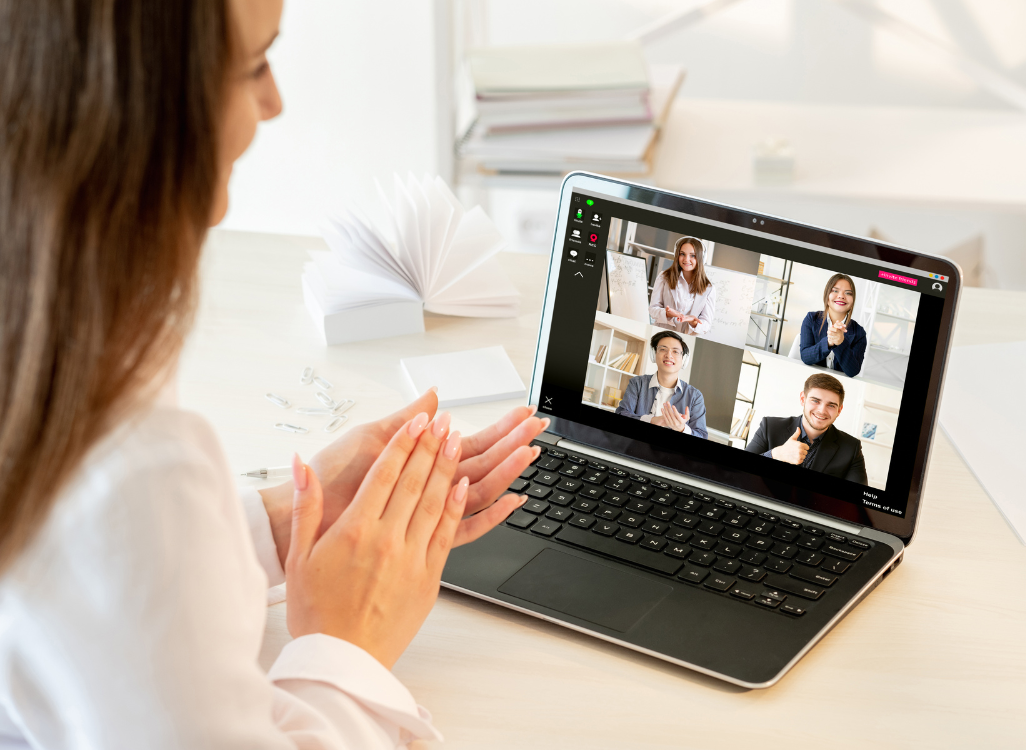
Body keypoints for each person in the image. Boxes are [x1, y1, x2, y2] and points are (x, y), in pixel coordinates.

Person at [0, 1, 546, 747]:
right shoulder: (136, 468)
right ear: (146, 109)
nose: (274, 102)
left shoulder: (48, 348)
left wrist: (283, 524)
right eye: (255, 65)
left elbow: (89, 601)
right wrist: (343, 644)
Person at [745, 374, 867, 484]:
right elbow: (737, 471)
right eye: (815, 401)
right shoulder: (770, 427)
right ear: (803, 399)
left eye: (831, 405)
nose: (822, 411)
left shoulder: (851, 448)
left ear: (839, 410)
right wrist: (775, 454)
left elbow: (858, 500)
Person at [615, 331, 708, 438]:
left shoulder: (695, 396)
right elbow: (621, 413)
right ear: (654, 354)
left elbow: (702, 435)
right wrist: (652, 420)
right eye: (663, 349)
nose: (669, 355)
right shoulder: (637, 383)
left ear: (684, 359)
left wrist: (681, 428)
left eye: (675, 352)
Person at [799, 273, 868, 378]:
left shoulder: (859, 332)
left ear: (852, 301)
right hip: (811, 378)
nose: (841, 296)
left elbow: (853, 371)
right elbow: (805, 356)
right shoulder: (811, 319)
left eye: (848, 293)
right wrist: (828, 342)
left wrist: (841, 343)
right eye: (835, 291)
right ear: (827, 296)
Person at [648, 236, 716, 335]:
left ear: (701, 258)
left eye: (693, 255)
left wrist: (693, 321)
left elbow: (706, 325)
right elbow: (652, 310)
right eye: (682, 254)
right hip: (661, 333)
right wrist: (666, 314)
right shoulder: (664, 277)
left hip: (685, 339)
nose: (686, 259)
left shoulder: (709, 289)